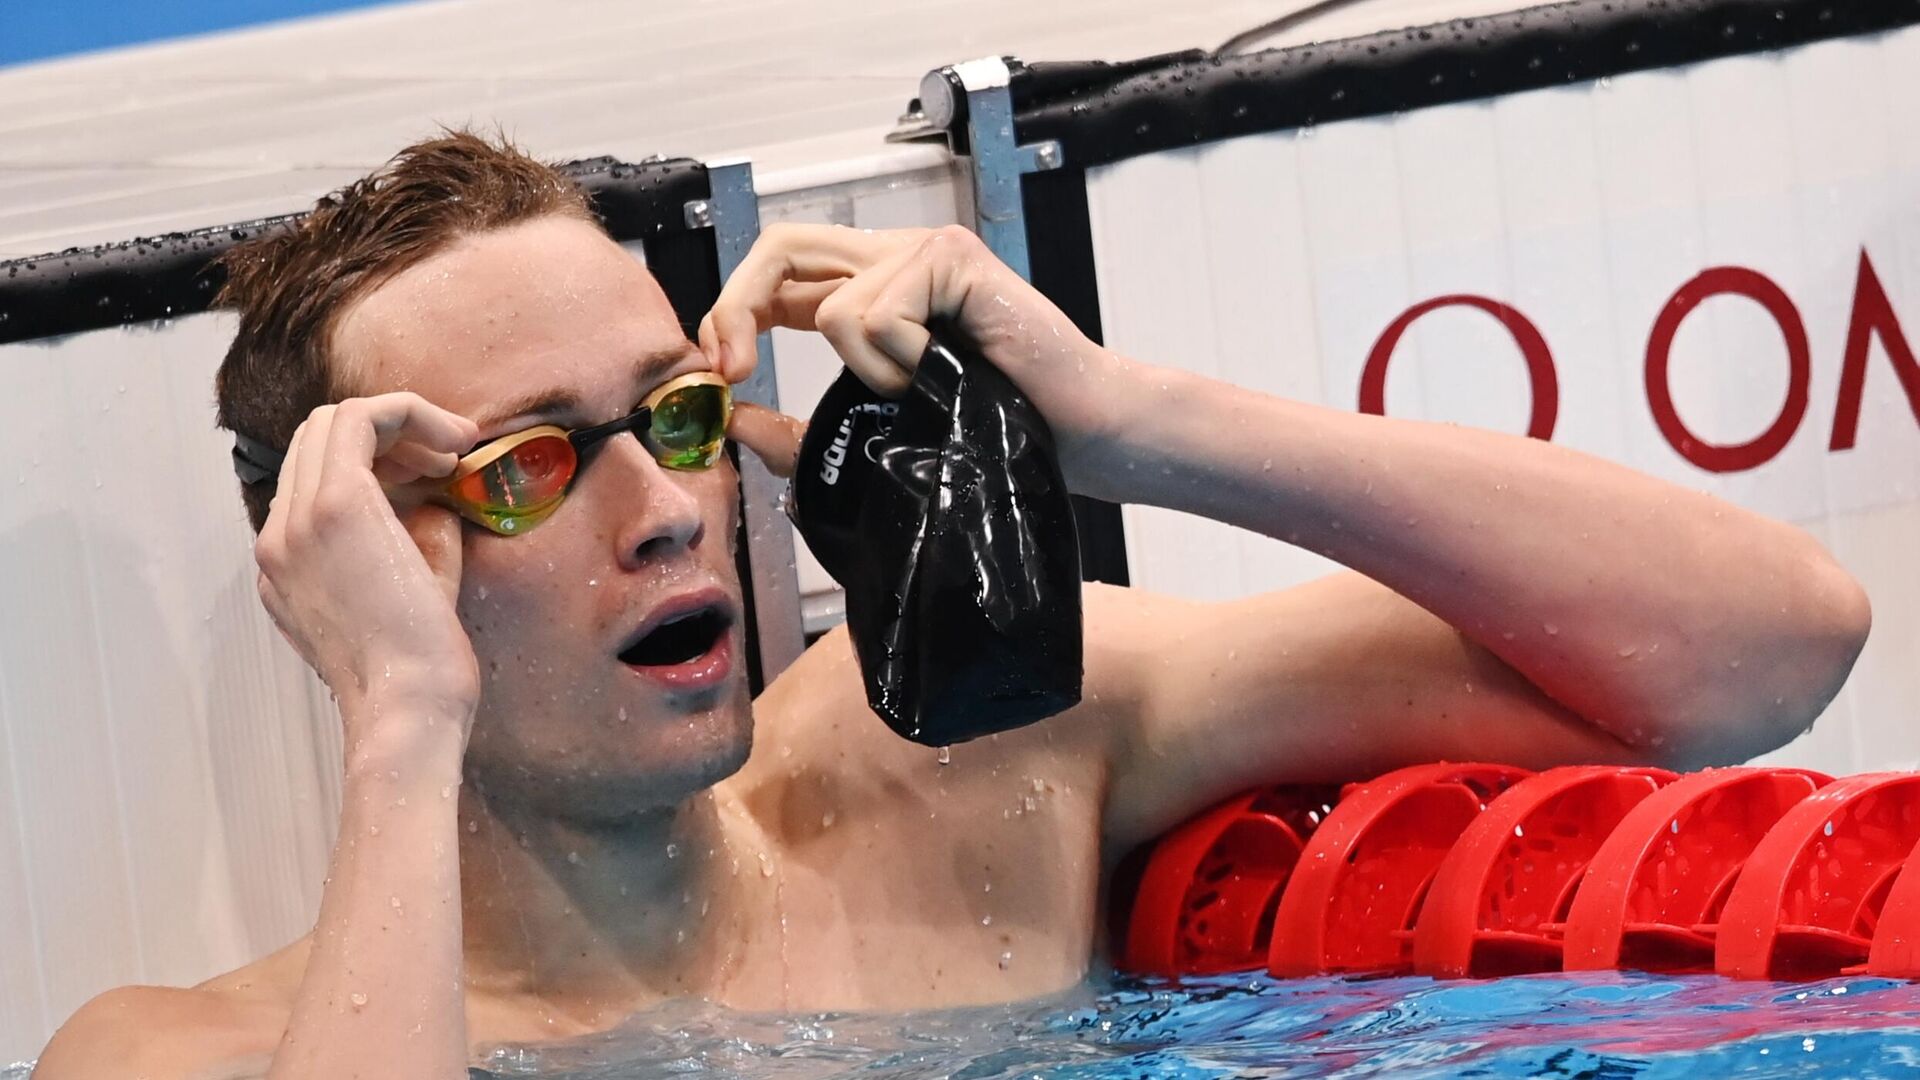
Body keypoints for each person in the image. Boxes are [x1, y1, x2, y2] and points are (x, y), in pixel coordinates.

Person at [34, 132, 1870, 1079]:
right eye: (526, 468)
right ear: (348, 565)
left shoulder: (958, 765)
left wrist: (1129, 426)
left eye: (677, 416)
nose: (664, 512)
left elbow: (1769, 650)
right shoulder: (174, 1055)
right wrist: (402, 724)